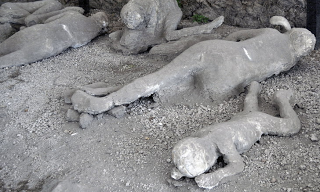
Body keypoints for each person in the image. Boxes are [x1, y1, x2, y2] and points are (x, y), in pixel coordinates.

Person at [69, 16, 315, 114]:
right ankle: (115, 98)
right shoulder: (289, 61)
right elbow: (263, 73)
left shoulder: (273, 34)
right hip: (229, 79)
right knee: (171, 86)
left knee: (163, 76)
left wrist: (222, 43)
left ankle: (107, 99)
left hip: (217, 51)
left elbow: (236, 37)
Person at [171, 81, 301, 189]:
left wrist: (216, 176)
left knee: (292, 126)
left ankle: (281, 98)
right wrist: (181, 170)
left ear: (209, 159)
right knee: (250, 107)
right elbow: (189, 142)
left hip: (256, 122)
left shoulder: (223, 144)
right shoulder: (202, 134)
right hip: (242, 120)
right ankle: (254, 87)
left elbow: (238, 165)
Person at [0, 10, 108, 68]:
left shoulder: (73, 13)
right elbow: (76, 44)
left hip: (38, 30)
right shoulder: (90, 34)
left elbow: (49, 20)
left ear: (93, 15)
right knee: (6, 61)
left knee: (3, 47)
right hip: (49, 45)